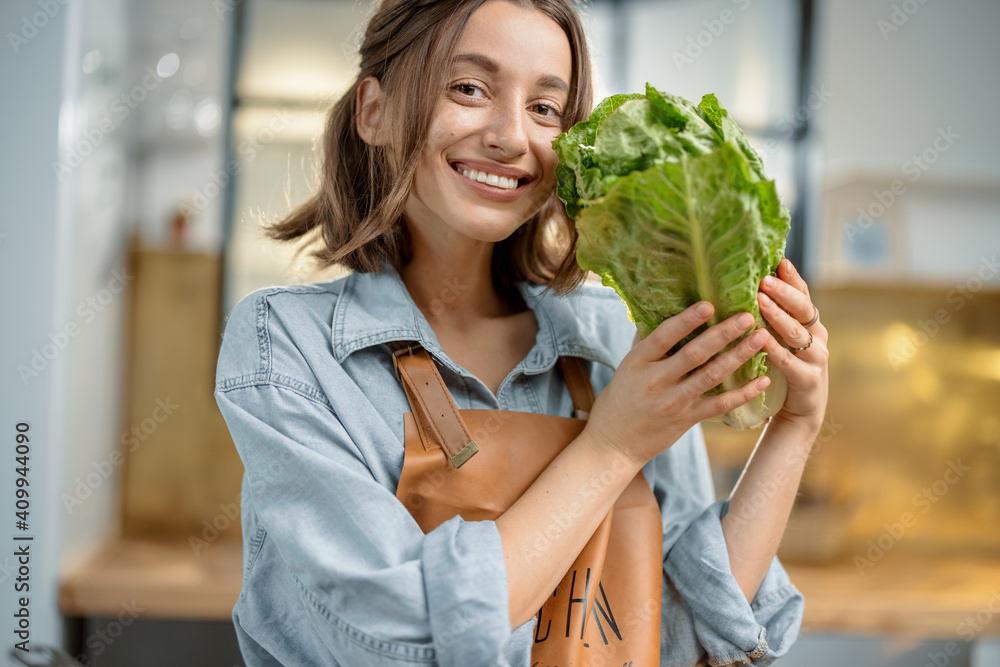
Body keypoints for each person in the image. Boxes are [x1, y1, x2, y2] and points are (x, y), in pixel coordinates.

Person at [214, 0, 829, 665]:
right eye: (469, 89)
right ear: (375, 111)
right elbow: (400, 637)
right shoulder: (288, 342)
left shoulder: (611, 342)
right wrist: (613, 446)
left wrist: (794, 426)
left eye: (545, 108)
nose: (511, 136)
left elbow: (683, 630)